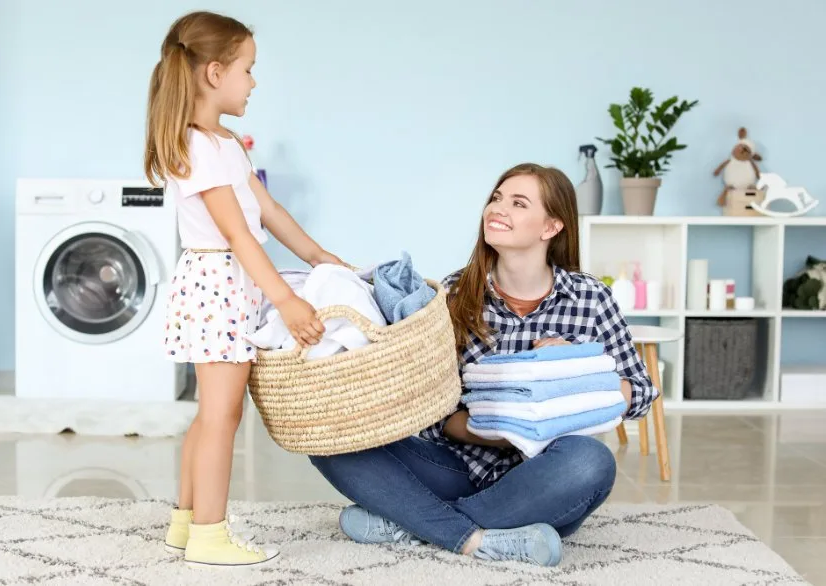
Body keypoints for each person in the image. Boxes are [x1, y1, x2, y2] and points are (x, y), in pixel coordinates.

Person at [309, 163, 657, 566]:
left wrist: (567, 368)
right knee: (327, 439)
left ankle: (417, 524)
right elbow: (437, 413)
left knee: (591, 462)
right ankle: (481, 534)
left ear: (551, 227)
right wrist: (499, 432)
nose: (498, 208)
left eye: (518, 202)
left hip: (543, 474)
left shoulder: (591, 298)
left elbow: (640, 392)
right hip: (456, 466)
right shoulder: (455, 293)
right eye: (496, 197)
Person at [144, 11, 345, 569]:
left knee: (211, 413)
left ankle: (187, 523)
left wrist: (320, 257)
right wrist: (285, 297)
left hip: (227, 281)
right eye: (248, 69)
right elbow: (236, 233)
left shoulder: (225, 141)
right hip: (218, 282)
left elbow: (267, 211)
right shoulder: (199, 147)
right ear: (214, 72)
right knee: (221, 416)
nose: (254, 82)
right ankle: (210, 533)